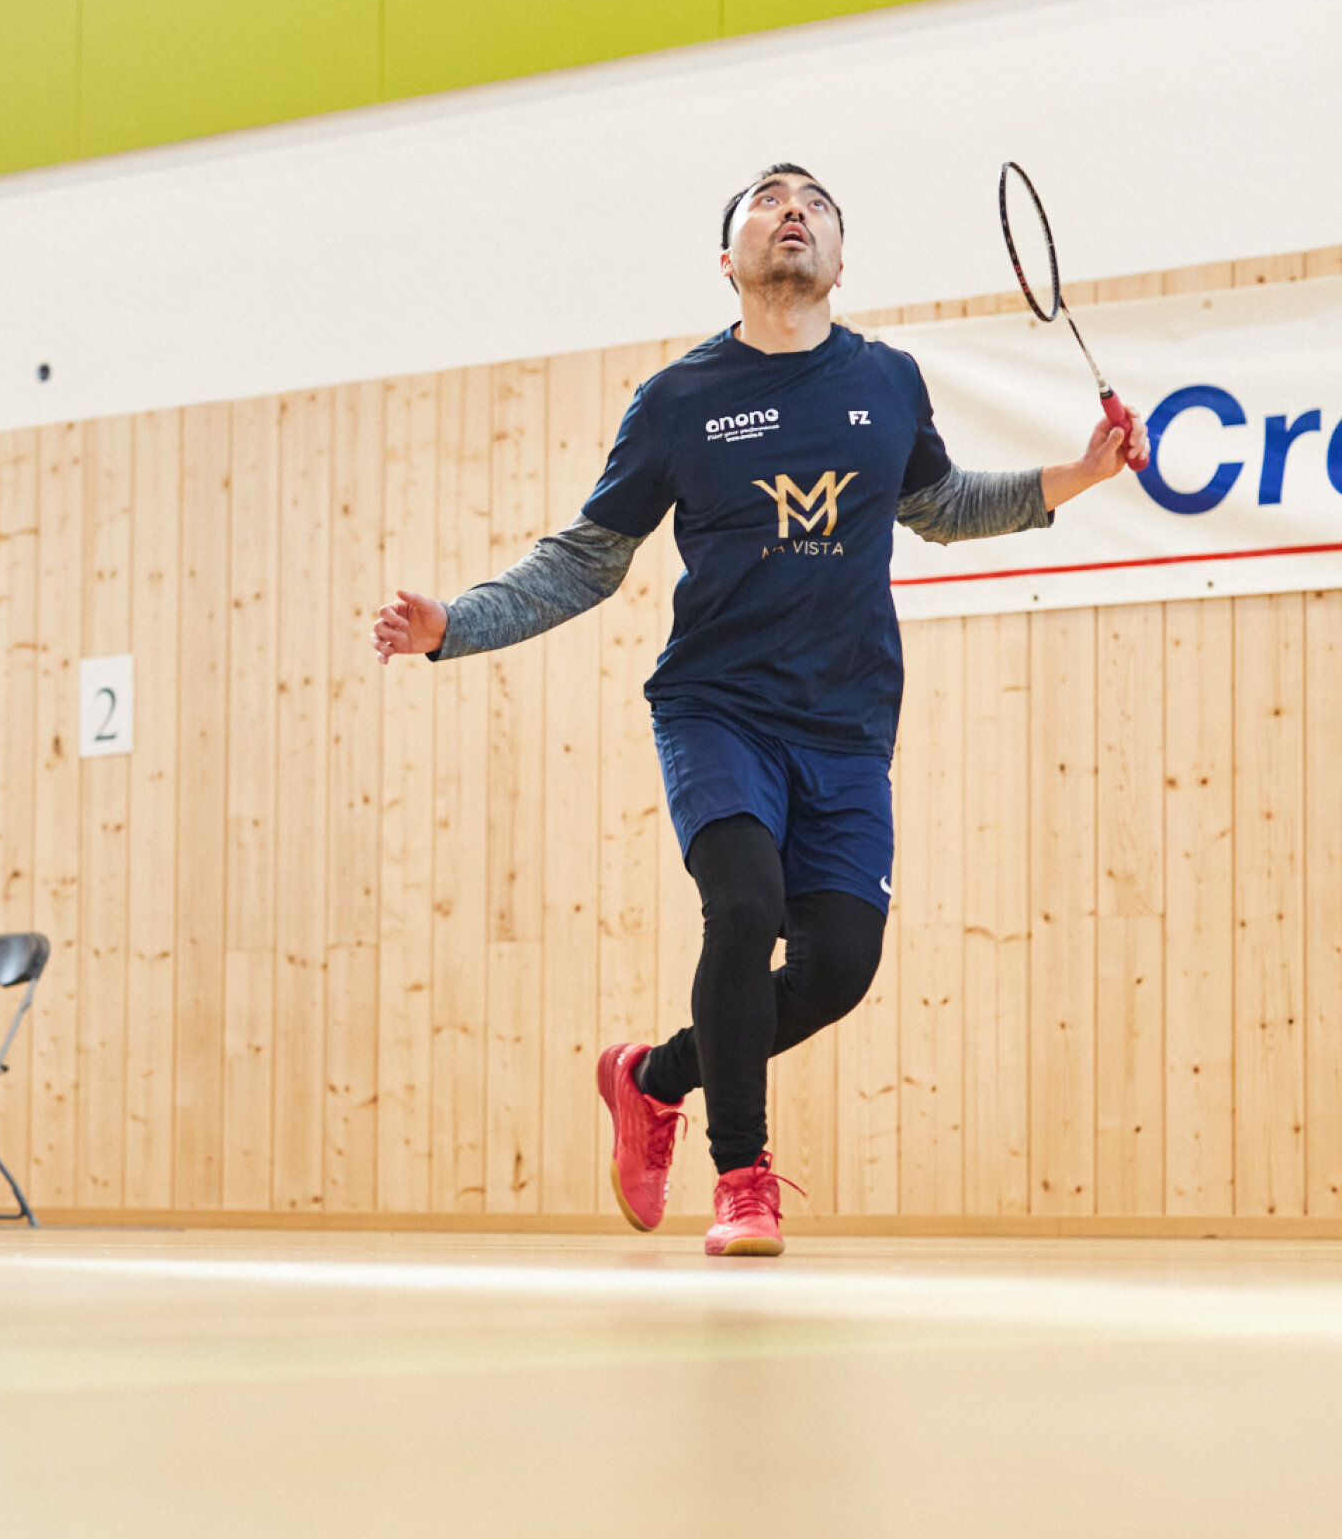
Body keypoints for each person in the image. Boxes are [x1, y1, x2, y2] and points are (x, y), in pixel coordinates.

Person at [372, 163, 1149, 1256]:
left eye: (817, 204)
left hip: (847, 726)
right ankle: (743, 1178)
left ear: (841, 258)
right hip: (719, 708)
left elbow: (938, 504)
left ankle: (653, 1077)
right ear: (728, 259)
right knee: (741, 906)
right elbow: (588, 559)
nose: (795, 210)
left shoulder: (888, 379)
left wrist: (1078, 474)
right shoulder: (678, 400)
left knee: (838, 970)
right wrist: (457, 623)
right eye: (770, 200)